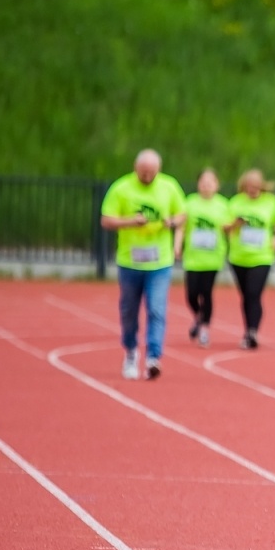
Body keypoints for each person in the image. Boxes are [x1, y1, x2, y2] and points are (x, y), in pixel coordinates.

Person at [100, 149, 186, 380]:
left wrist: (172, 221)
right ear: (135, 168)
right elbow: (106, 220)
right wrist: (130, 221)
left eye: (152, 172)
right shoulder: (121, 188)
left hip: (160, 262)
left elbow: (182, 214)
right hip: (130, 261)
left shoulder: (169, 187)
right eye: (144, 172)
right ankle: (130, 351)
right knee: (129, 310)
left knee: (157, 309)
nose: (148, 176)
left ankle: (153, 357)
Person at [225, 169, 275, 350]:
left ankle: (252, 332)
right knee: (246, 296)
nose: (253, 190)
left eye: (256, 186)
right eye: (249, 186)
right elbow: (225, 228)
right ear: (243, 186)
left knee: (253, 293)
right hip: (239, 257)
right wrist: (236, 224)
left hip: (262, 256)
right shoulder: (235, 202)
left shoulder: (271, 201)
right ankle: (248, 328)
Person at [178, 168, 229, 348]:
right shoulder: (189, 202)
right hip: (193, 257)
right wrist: (177, 246)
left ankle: (205, 328)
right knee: (191, 293)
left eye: (210, 183)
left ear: (217, 185)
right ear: (198, 184)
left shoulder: (223, 205)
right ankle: (199, 316)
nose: (206, 186)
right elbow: (182, 226)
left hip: (213, 257)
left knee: (206, 292)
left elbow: (228, 228)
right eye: (203, 183)